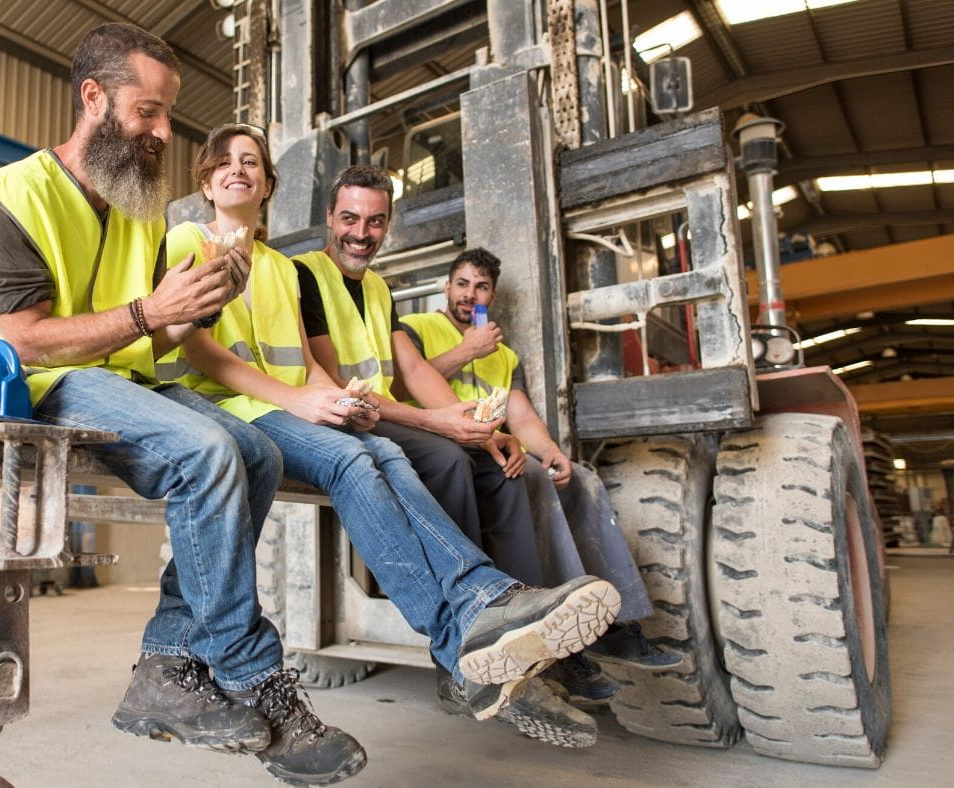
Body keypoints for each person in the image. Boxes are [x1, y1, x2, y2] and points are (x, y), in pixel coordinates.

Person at [0, 24, 364, 786]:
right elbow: (30, 339)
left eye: (168, 116)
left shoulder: (138, 212)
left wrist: (191, 311)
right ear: (93, 98)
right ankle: (250, 670)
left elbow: (147, 346)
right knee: (205, 452)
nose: (164, 132)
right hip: (12, 383)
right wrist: (147, 313)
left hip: (110, 379)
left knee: (254, 450)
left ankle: (166, 666)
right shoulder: (14, 196)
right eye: (149, 112)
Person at [162, 125, 622, 752]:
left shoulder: (281, 269)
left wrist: (336, 400)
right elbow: (197, 347)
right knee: (367, 458)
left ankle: (493, 603)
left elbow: (307, 360)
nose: (239, 170)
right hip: (234, 408)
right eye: (225, 162)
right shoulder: (188, 239)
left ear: (269, 184)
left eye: (252, 162)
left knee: (381, 451)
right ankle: (462, 635)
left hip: (298, 406)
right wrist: (310, 399)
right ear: (206, 178)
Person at [288, 165, 600, 741]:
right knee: (449, 460)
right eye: (350, 219)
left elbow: (408, 369)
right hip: (342, 416)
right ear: (330, 219)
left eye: (375, 221)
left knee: (502, 469)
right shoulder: (304, 275)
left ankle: (522, 636)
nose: (362, 232)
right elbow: (333, 383)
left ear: (388, 226)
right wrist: (440, 423)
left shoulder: (378, 288)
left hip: (380, 413)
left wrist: (484, 430)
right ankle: (459, 657)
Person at [398, 247, 683, 697]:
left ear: (491, 295)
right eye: (462, 283)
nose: (470, 295)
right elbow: (402, 383)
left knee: (575, 477)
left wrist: (551, 450)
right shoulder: (416, 329)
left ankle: (616, 624)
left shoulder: (502, 354)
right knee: (528, 476)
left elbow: (521, 413)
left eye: (481, 287)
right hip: (440, 443)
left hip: (489, 446)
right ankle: (558, 646)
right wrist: (463, 351)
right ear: (445, 286)